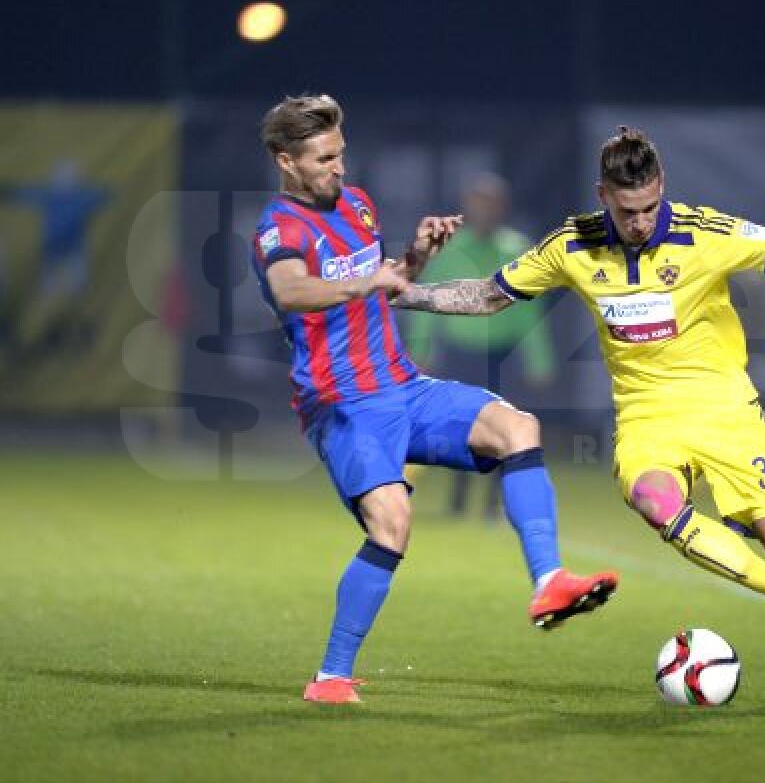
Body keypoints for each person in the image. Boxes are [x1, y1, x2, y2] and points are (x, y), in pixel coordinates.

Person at [390, 126, 765, 703]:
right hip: (646, 420)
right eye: (627, 211)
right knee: (654, 500)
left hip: (726, 411)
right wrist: (403, 292)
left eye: (648, 207)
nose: (640, 222)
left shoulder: (706, 233)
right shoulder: (572, 245)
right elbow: (491, 294)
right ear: (603, 196)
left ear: (661, 186)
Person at [249, 95, 618, 705]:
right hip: (342, 406)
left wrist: (418, 256)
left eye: (341, 153)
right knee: (393, 524)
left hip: (404, 387)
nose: (339, 168)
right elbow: (291, 291)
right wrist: (366, 280)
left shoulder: (358, 204)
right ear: (285, 161)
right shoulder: (277, 228)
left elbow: (388, 285)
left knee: (517, 427)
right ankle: (332, 677)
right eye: (323, 158)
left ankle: (549, 580)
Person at [406, 173, 556, 519]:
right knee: (462, 427)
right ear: (469, 206)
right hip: (462, 353)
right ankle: (458, 503)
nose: (485, 209)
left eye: (492, 202)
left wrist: (540, 362)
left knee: (506, 429)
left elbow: (530, 312)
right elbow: (429, 298)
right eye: (479, 202)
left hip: (503, 354)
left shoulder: (515, 248)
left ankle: (493, 505)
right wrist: (420, 348)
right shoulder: (453, 248)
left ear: (503, 207)